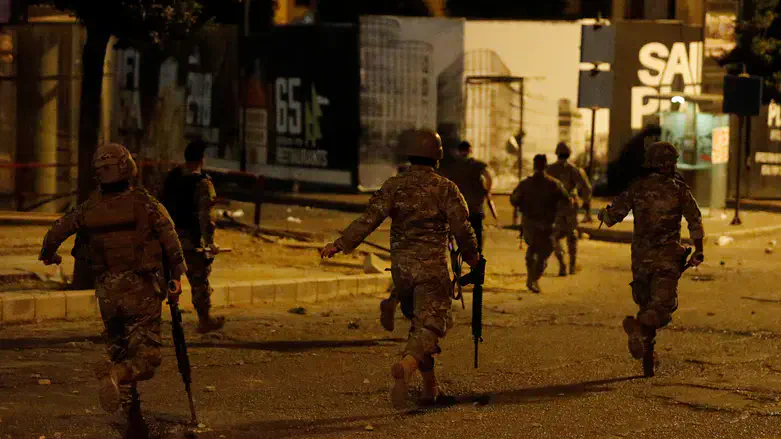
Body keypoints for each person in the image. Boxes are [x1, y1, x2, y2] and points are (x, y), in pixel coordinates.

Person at [320, 129, 479, 408]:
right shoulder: (445, 188)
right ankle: (406, 364)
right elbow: (461, 228)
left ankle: (431, 388)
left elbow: (369, 218)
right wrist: (473, 257)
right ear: (438, 155)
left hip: (402, 273)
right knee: (434, 323)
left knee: (419, 327)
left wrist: (340, 244)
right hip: (431, 271)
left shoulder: (394, 186)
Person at [38, 143, 187, 435]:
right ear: (127, 168)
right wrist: (177, 278)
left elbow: (57, 229)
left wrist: (49, 254)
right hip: (140, 289)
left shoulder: (89, 208)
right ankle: (115, 375)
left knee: (120, 350)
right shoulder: (144, 203)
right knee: (146, 358)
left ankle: (133, 421)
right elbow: (171, 240)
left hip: (107, 291)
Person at [598, 142, 704, 374]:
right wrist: (699, 249)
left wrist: (602, 214)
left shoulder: (637, 188)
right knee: (663, 306)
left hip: (641, 258)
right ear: (669, 163)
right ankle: (638, 329)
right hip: (666, 257)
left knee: (646, 304)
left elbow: (612, 217)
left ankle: (648, 352)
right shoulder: (678, 189)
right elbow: (694, 220)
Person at [161, 140, 224, 334]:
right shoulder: (203, 183)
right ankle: (204, 320)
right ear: (201, 159)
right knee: (198, 282)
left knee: (168, 279)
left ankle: (155, 321)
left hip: (168, 238)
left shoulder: (171, 178)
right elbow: (206, 217)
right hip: (190, 240)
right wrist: (210, 243)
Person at [510, 154, 572, 294]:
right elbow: (567, 201)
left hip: (530, 223)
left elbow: (514, 199)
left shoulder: (526, 183)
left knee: (533, 249)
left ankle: (531, 278)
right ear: (545, 166)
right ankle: (533, 278)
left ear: (534, 166)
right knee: (543, 253)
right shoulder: (554, 184)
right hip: (546, 224)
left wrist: (522, 205)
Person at [546, 142, 592, 276]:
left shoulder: (549, 169)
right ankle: (572, 266)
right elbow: (586, 189)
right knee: (571, 236)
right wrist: (586, 205)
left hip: (555, 207)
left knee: (554, 236)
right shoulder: (575, 170)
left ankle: (562, 264)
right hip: (571, 206)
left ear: (556, 153)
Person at [439, 140, 493, 252]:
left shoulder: (452, 166)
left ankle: (458, 255)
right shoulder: (477, 165)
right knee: (477, 231)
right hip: (475, 206)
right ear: (470, 150)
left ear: (458, 151)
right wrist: (486, 191)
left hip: (457, 206)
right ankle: (477, 257)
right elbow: (488, 177)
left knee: (457, 233)